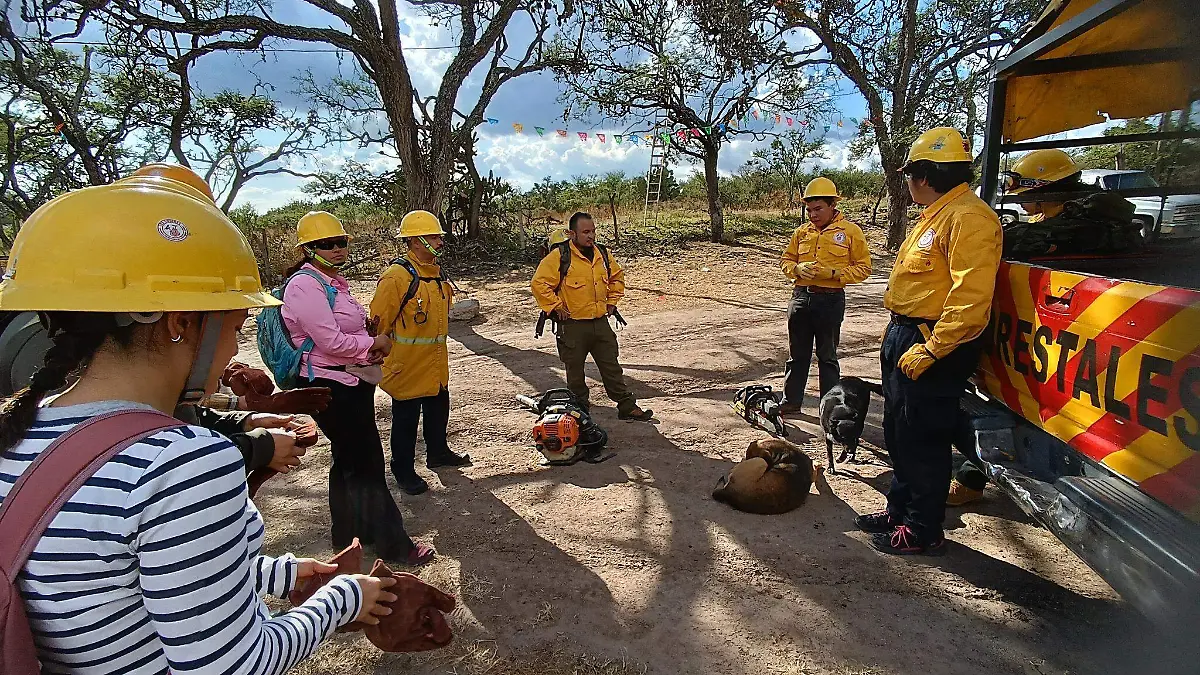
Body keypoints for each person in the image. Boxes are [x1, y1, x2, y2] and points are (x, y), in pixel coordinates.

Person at [0, 173, 398, 672]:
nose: (234, 349)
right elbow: (232, 665)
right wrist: (344, 598)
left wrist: (279, 574)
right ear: (180, 324)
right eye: (233, 326)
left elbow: (122, 583)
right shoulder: (184, 462)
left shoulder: (18, 432)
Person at [854, 127, 1003, 555]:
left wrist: (935, 348)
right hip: (906, 333)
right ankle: (899, 511)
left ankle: (923, 529)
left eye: (908, 175)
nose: (906, 183)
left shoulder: (968, 218)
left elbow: (971, 299)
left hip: (934, 341)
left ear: (923, 174)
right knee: (898, 432)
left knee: (924, 437)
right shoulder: (936, 215)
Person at [281, 210, 434, 565]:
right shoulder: (305, 285)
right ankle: (395, 545)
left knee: (348, 460)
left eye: (341, 242)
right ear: (308, 248)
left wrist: (367, 337)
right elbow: (330, 341)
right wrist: (372, 344)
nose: (337, 249)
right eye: (326, 244)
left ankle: (349, 533)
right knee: (366, 465)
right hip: (331, 385)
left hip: (350, 380)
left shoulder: (332, 282)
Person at [370, 210, 470, 497]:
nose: (439, 242)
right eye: (433, 237)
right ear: (414, 242)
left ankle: (438, 453)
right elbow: (378, 323)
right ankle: (403, 470)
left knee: (439, 410)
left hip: (435, 364)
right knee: (406, 421)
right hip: (407, 366)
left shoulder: (436, 275)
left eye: (439, 236)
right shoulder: (396, 278)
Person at [530, 212, 653, 421]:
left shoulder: (602, 254)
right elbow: (539, 284)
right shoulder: (560, 256)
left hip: (600, 323)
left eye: (593, 231)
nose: (591, 236)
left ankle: (626, 406)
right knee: (575, 374)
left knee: (611, 367)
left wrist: (612, 302)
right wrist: (555, 306)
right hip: (572, 327)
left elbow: (617, 277)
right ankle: (580, 413)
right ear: (572, 234)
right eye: (586, 232)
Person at [779, 177, 872, 415]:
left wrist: (833, 273)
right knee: (796, 355)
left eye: (818, 209)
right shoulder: (801, 233)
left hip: (830, 299)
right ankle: (790, 402)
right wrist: (797, 269)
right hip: (800, 297)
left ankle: (830, 408)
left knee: (827, 357)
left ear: (832, 206)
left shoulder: (850, 232)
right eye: (809, 210)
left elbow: (864, 268)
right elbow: (786, 260)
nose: (813, 214)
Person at [1000, 149, 1140, 259]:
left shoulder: (1077, 222)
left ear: (1042, 192)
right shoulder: (1083, 212)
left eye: (1023, 193)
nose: (1018, 199)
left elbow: (1023, 239)